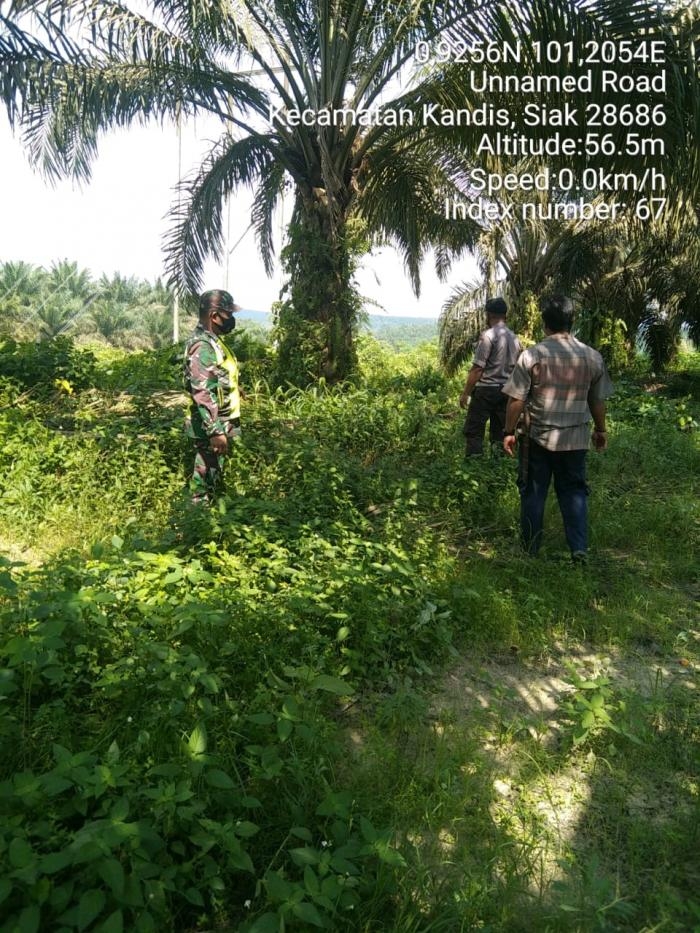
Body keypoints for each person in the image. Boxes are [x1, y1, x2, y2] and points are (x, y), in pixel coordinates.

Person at [501, 295, 613, 561]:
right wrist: (601, 430)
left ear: (545, 324)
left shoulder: (532, 356)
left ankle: (530, 550)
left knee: (533, 492)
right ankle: (578, 549)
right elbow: (596, 400)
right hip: (575, 439)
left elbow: (516, 400)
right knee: (574, 492)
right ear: (571, 321)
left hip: (537, 438)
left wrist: (508, 431)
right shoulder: (592, 357)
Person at [183, 289, 241, 504]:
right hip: (212, 424)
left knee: (213, 474)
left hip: (220, 420)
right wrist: (215, 430)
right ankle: (198, 523)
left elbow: (216, 376)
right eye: (228, 314)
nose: (231, 320)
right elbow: (202, 391)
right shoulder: (203, 345)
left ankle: (210, 517)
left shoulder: (213, 341)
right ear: (214, 316)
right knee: (204, 479)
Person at [459, 297, 522, 456]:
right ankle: (497, 466)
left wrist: (466, 393)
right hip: (506, 391)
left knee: (474, 431)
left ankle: (474, 464)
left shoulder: (488, 336)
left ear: (489, 315)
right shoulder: (514, 338)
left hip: (486, 390)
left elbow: (478, 369)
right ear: (505, 315)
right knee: (499, 433)